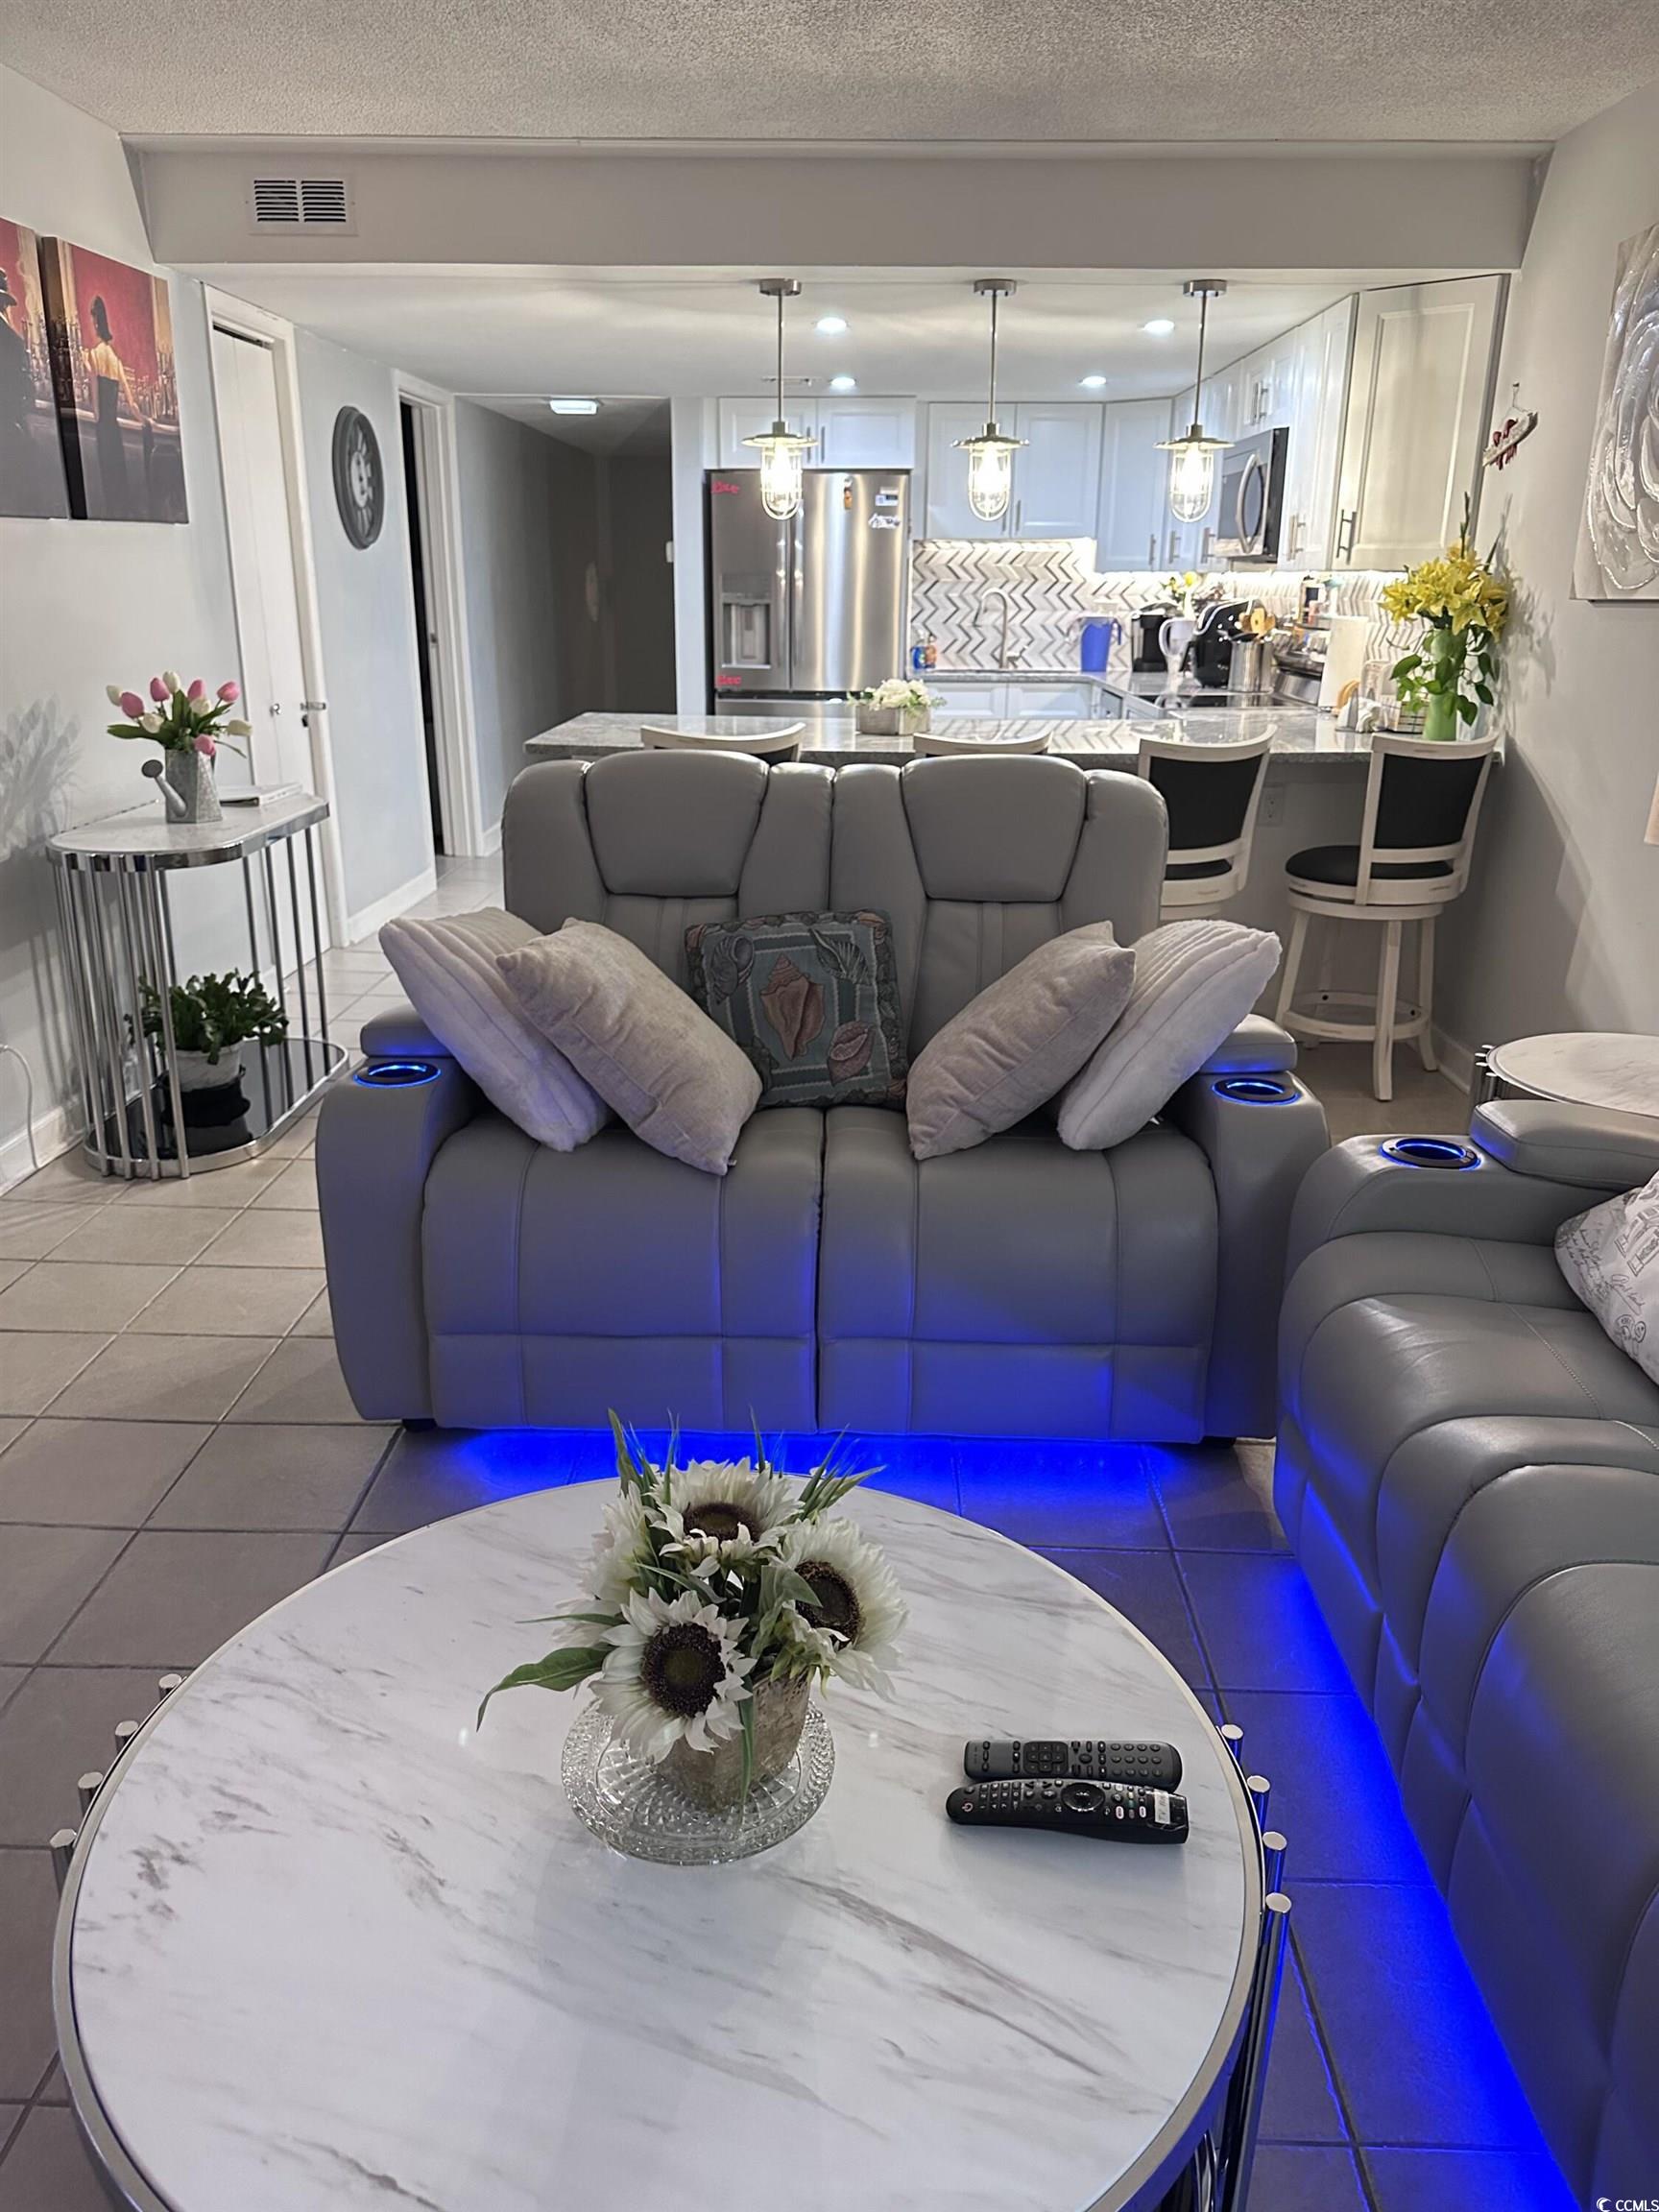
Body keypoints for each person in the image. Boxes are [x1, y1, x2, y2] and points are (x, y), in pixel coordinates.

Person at [84, 293, 143, 517]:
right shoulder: (115, 359)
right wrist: (145, 422)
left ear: (95, 322)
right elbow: (132, 403)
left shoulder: (93, 356)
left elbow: (96, 409)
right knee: (119, 478)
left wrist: (88, 371)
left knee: (108, 480)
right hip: (115, 429)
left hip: (104, 428)